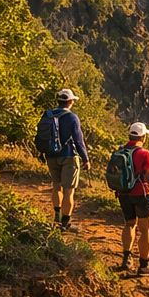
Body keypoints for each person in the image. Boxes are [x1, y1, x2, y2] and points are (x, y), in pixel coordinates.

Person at [116, 122, 149, 275]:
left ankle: (127, 258)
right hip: (142, 194)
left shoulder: (120, 150)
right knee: (145, 229)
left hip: (123, 194)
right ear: (143, 137)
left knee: (129, 224)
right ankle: (144, 266)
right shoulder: (144, 153)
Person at [43, 89, 89, 232]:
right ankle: (65, 222)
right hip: (69, 156)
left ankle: (57, 214)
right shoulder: (72, 118)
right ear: (70, 102)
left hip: (51, 155)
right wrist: (85, 159)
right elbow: (78, 140)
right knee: (69, 190)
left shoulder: (48, 114)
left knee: (56, 185)